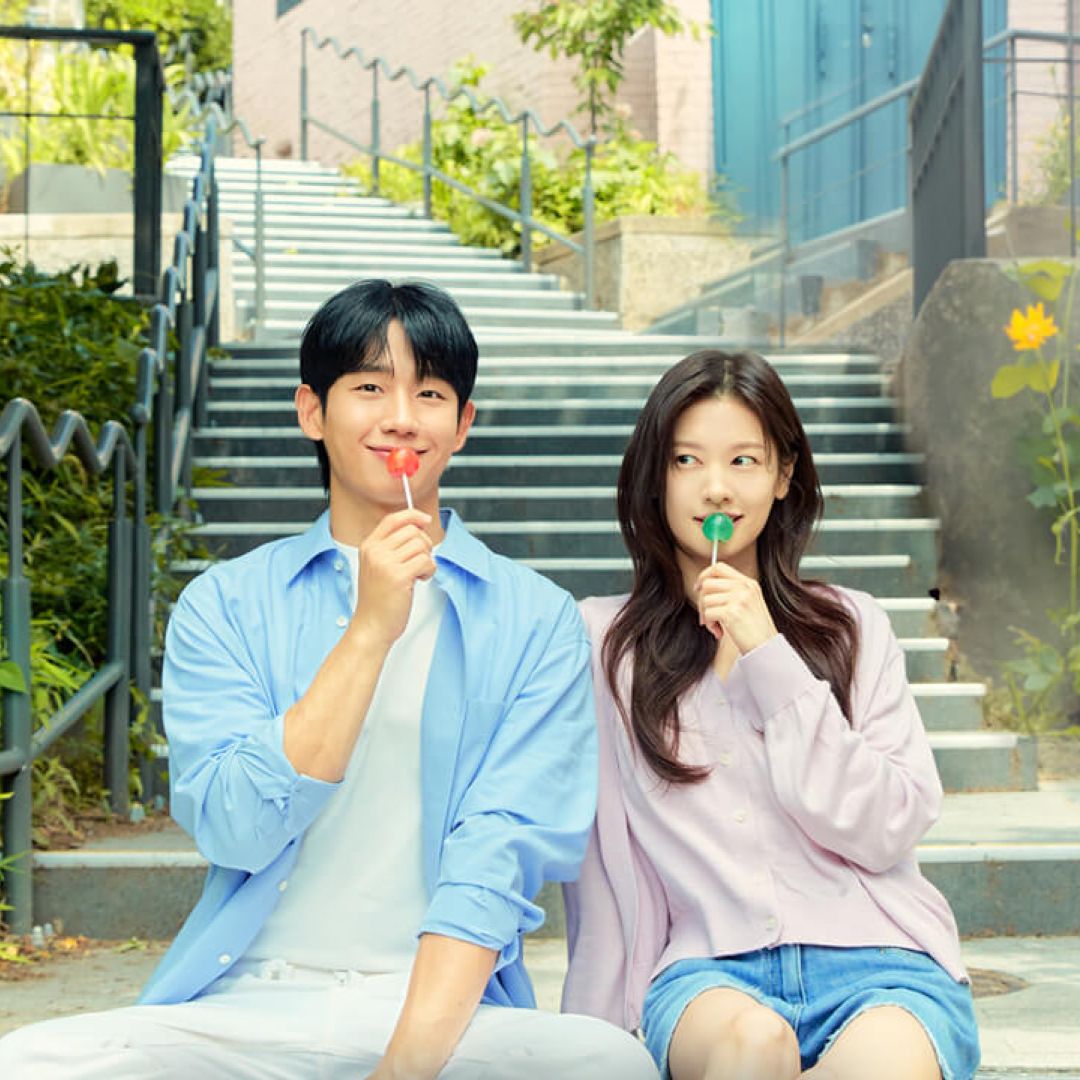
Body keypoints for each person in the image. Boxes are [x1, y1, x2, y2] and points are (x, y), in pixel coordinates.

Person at [0, 280, 657, 1080]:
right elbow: (236, 829)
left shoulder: (535, 619)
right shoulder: (227, 603)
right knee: (28, 1063)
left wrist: (402, 1071)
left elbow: (501, 857)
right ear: (312, 411)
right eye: (370, 387)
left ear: (464, 424)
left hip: (440, 1018)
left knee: (607, 1062)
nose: (402, 417)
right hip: (247, 1007)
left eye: (432, 392)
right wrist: (371, 629)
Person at [561, 350, 980, 1080]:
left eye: (744, 461)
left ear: (784, 476)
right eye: (687, 460)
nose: (715, 487)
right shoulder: (602, 643)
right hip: (708, 975)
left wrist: (769, 656)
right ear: (655, 477)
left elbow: (889, 824)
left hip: (879, 961)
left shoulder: (852, 626)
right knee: (753, 1049)